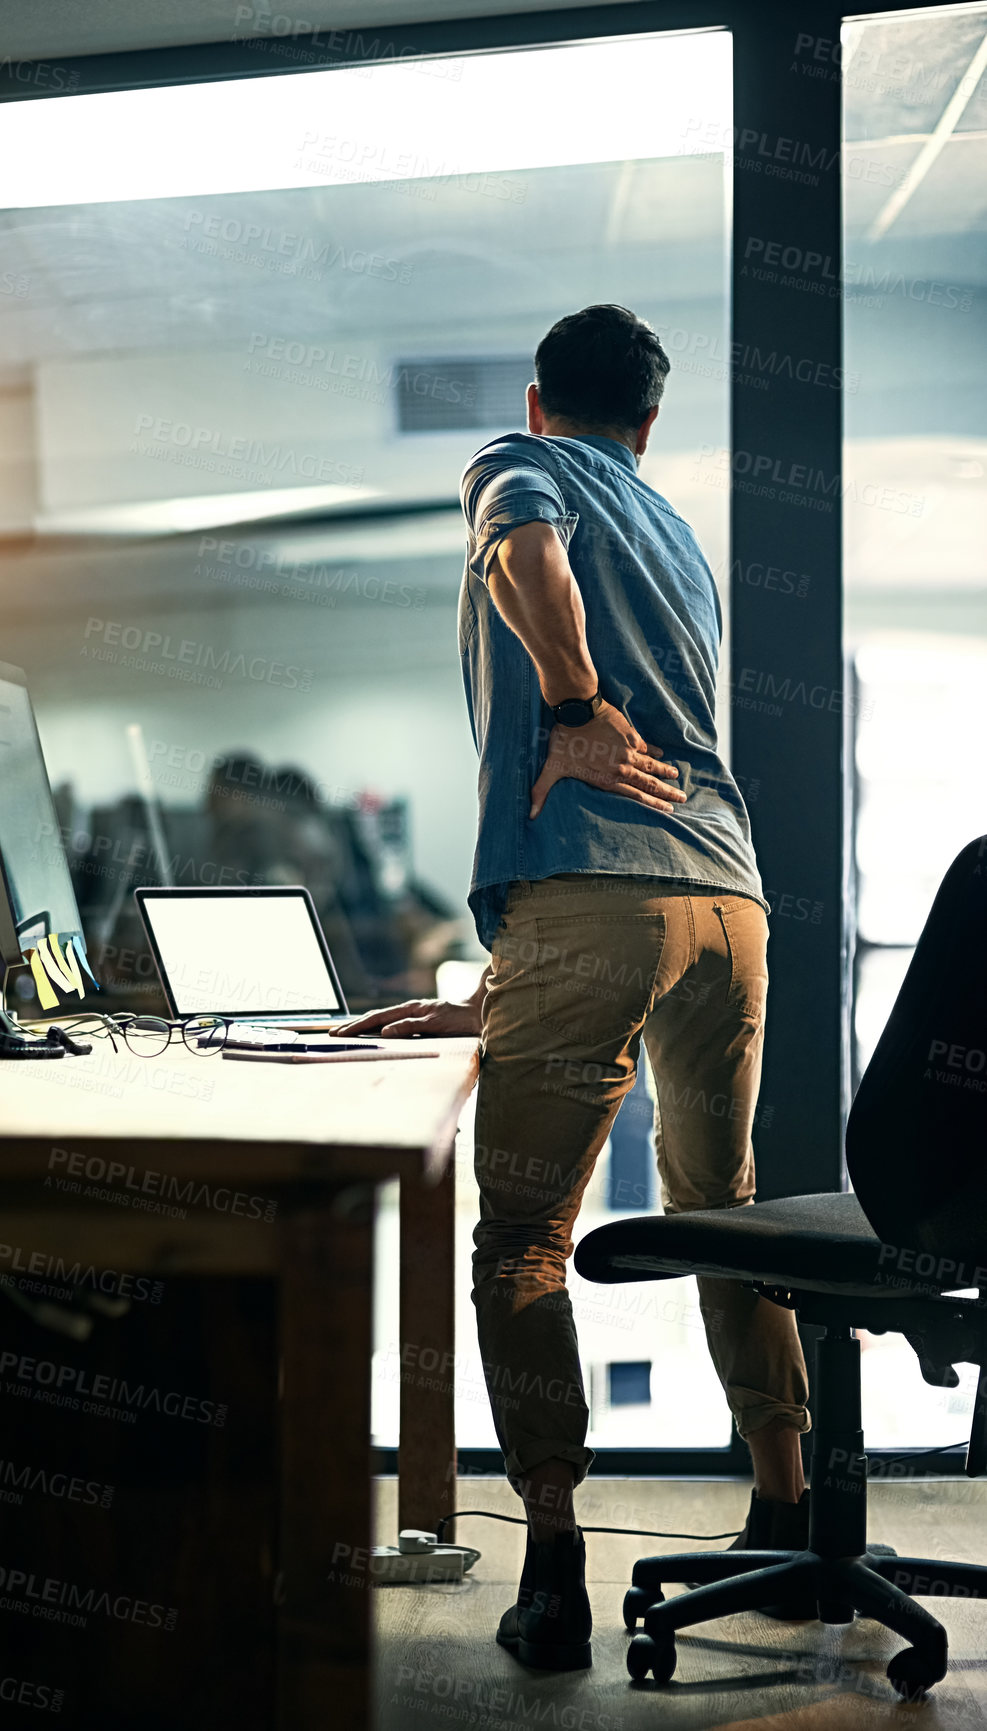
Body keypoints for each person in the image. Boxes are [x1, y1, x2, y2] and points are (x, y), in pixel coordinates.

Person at [340, 305, 811, 1669]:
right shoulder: (678, 538)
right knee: (726, 1216)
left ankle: (554, 1574)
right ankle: (781, 1516)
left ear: (543, 404)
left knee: (522, 1239)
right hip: (728, 901)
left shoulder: (515, 459)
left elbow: (522, 544)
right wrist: (505, 994)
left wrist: (568, 703)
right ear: (648, 425)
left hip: (591, 902)